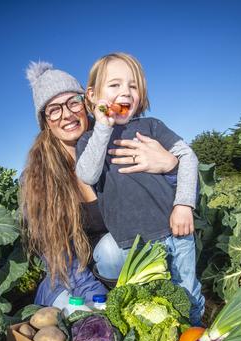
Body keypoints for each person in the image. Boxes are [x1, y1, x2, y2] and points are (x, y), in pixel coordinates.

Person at [21, 61, 179, 309]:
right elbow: (60, 258)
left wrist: (171, 167)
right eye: (54, 109)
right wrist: (100, 301)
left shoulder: (117, 142)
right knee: (78, 317)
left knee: (111, 251)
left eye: (73, 102)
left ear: (87, 103)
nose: (67, 115)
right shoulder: (37, 178)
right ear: (45, 121)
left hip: (120, 263)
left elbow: (165, 200)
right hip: (73, 276)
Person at [76, 52, 205, 325]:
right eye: (114, 85)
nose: (125, 92)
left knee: (186, 291)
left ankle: (194, 339)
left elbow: (187, 157)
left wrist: (183, 204)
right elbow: (87, 173)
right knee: (146, 301)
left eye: (132, 86)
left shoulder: (152, 126)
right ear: (92, 95)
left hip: (174, 230)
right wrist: (102, 127)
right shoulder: (89, 139)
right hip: (131, 245)